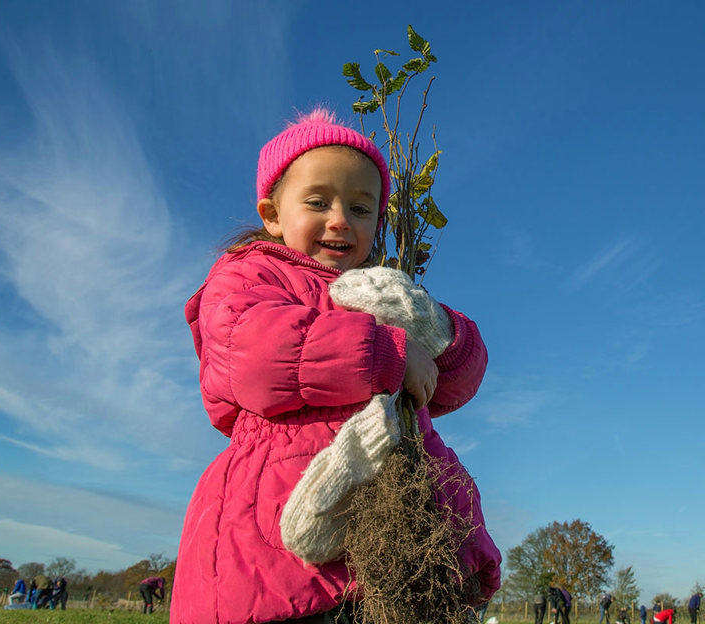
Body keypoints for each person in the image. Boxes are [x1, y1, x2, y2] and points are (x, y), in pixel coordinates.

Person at [170, 109, 499, 624]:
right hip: (283, 533)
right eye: (318, 202)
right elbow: (258, 353)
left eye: (361, 208)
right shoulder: (249, 274)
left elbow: (456, 379)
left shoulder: (380, 292)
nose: (341, 218)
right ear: (273, 214)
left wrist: (432, 325)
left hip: (399, 526)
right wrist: (387, 353)